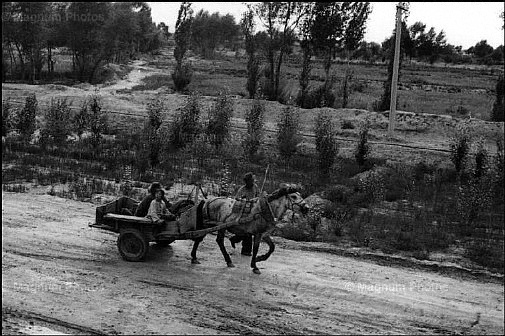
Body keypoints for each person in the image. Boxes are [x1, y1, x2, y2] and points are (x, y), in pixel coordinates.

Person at [229, 172, 259, 256]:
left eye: (253, 180)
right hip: (243, 211)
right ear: (247, 181)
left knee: (250, 230)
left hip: (253, 210)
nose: (252, 182)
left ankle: (235, 240)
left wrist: (255, 199)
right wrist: (243, 200)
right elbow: (236, 198)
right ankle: (246, 251)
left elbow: (258, 196)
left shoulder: (255, 187)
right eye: (251, 181)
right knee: (247, 231)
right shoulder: (242, 189)